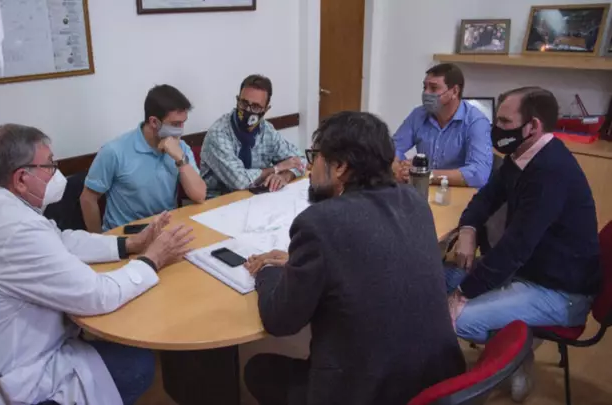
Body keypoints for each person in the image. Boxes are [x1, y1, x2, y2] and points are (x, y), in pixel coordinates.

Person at [0, 124, 194, 405]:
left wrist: (129, 244)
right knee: (136, 365)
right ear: (21, 179)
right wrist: (153, 259)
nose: (56, 173)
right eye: (50, 165)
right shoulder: (11, 228)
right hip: (7, 377)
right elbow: (97, 296)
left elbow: (57, 239)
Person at [243, 111, 465, 405]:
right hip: (437, 382)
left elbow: (280, 321)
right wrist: (299, 263)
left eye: (315, 157)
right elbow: (370, 258)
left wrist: (267, 272)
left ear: (340, 167)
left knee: (258, 370)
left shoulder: (319, 222)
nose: (310, 167)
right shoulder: (414, 201)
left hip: (366, 393)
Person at [446, 87, 600, 402]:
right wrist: (468, 229)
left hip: (560, 293)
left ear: (533, 126)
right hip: (529, 272)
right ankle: (514, 340)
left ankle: (516, 354)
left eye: (505, 122)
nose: (496, 129)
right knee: (442, 277)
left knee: (455, 316)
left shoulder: (550, 171)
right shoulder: (521, 156)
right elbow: (486, 198)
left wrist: (461, 295)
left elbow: (515, 248)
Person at [81, 84, 206, 233]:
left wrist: (181, 160)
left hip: (165, 231)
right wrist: (99, 240)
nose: (180, 130)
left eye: (183, 123)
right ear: (154, 122)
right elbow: (88, 198)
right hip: (126, 236)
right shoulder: (114, 151)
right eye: (175, 124)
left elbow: (200, 196)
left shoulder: (181, 148)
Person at [200, 74, 306, 197]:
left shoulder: (266, 130)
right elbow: (239, 181)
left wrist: (284, 176)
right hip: (218, 203)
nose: (248, 110)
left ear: (266, 109)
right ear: (237, 100)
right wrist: (276, 169)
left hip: (256, 197)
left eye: (256, 107)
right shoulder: (218, 133)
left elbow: (301, 161)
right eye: (244, 103)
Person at [392, 63, 492, 188]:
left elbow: (479, 174)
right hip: (423, 190)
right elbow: (391, 149)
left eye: (433, 88)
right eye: (425, 87)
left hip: (459, 192)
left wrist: (425, 174)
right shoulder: (418, 114)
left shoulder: (476, 121)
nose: (426, 93)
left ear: (454, 91)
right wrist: (400, 167)